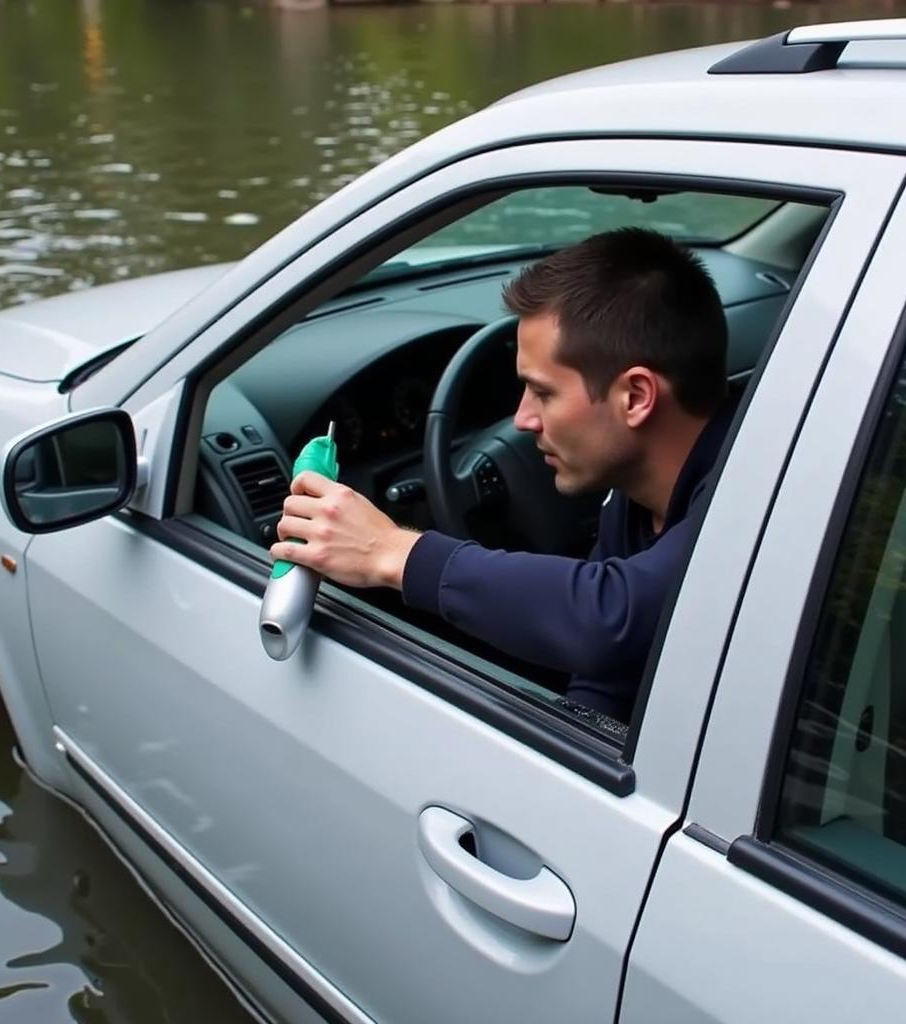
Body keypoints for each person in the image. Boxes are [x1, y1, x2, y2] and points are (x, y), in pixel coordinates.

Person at [271, 227, 735, 722]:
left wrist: (388, 550)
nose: (522, 419)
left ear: (636, 397)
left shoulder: (750, 499)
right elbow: (606, 671)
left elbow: (611, 619)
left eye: (544, 392)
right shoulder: (635, 493)